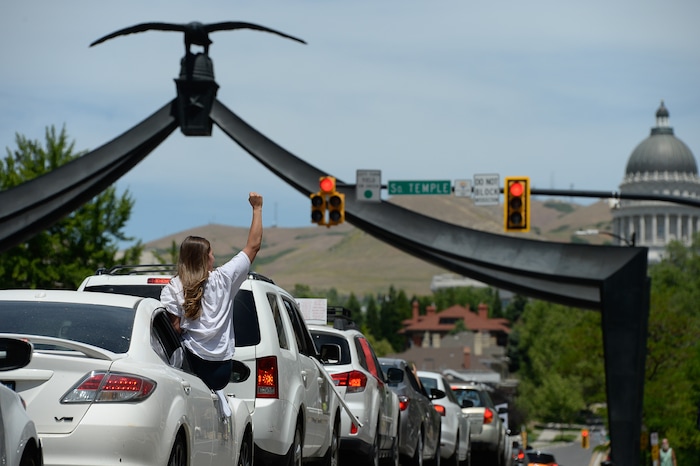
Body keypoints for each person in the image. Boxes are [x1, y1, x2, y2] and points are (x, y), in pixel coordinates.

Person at [161, 192, 263, 392]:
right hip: (221, 369)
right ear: (205, 258)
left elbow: (175, 329)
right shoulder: (224, 279)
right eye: (212, 254)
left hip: (190, 365)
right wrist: (257, 208)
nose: (214, 258)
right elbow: (253, 246)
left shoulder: (173, 287)